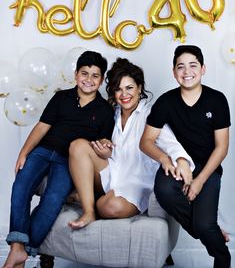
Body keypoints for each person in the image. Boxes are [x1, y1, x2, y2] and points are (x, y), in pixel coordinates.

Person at [3, 51, 115, 268]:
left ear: (101, 80)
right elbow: (42, 126)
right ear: (75, 75)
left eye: (95, 76)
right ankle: (17, 248)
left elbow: (102, 144)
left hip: (67, 161)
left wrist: (104, 152)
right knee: (20, 187)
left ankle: (24, 251)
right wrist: (23, 153)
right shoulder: (61, 97)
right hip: (44, 151)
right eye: (84, 73)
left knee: (53, 201)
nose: (89, 80)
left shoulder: (104, 110)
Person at [68, 57, 195, 229]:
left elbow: (170, 142)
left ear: (139, 88)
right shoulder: (111, 113)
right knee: (77, 145)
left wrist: (181, 160)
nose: (124, 94)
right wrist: (105, 149)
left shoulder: (150, 113)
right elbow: (109, 146)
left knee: (110, 207)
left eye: (129, 88)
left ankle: (91, 198)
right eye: (118, 90)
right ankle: (89, 211)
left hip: (136, 183)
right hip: (111, 172)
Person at [140, 45, 231, 268]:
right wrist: (164, 159)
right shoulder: (165, 102)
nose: (187, 71)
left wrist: (199, 182)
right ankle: (213, 232)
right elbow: (146, 141)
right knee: (164, 191)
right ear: (174, 72)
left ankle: (222, 256)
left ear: (203, 69)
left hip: (207, 169)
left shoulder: (217, 100)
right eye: (181, 66)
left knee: (202, 226)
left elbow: (222, 148)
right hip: (177, 167)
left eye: (193, 65)